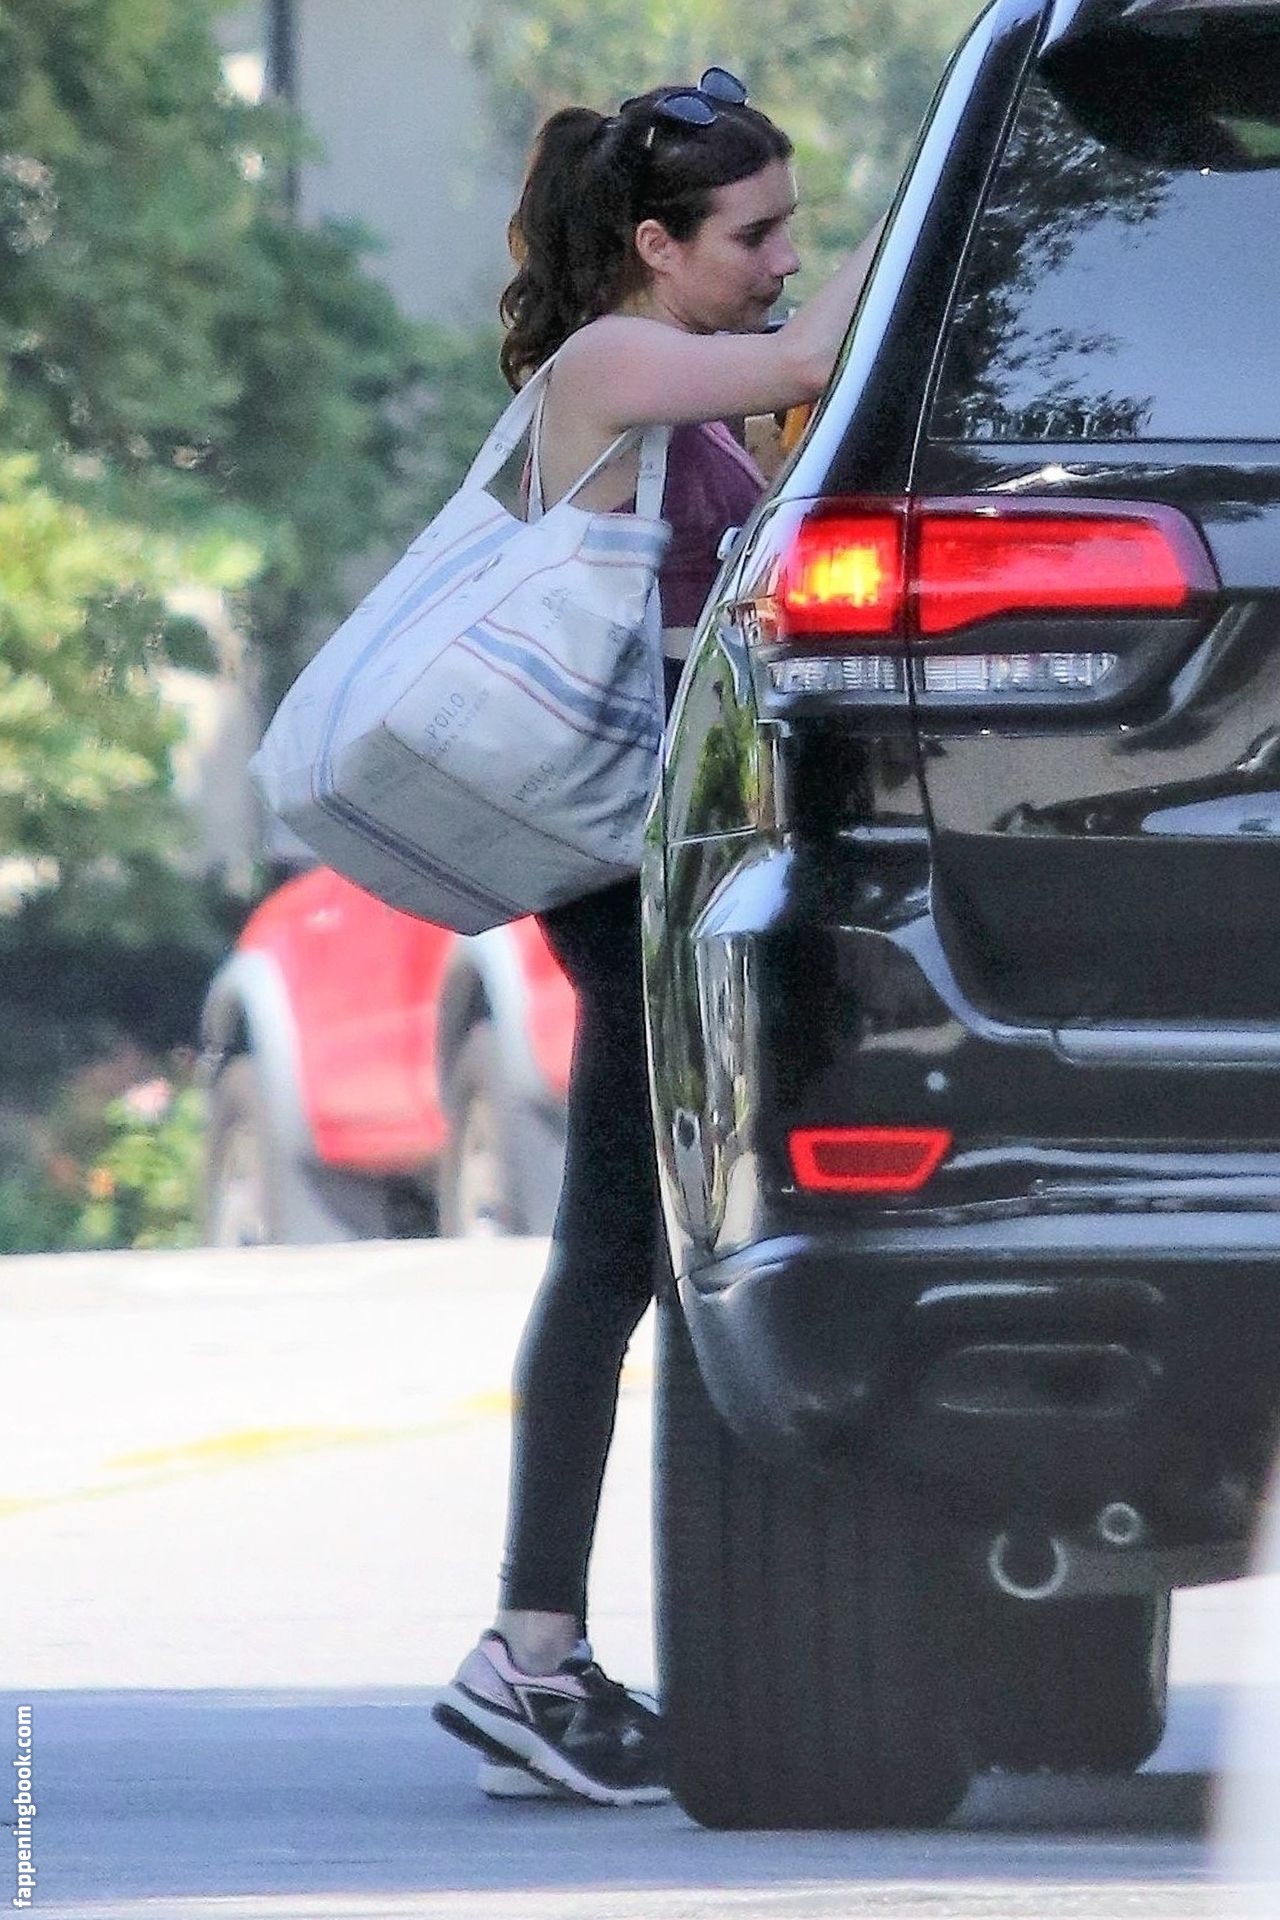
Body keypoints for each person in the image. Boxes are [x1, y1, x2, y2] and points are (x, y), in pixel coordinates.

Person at [431, 66, 883, 1807]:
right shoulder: (607, 370)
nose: (782, 261)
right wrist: (952, 176)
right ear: (653, 244)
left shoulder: (679, 393)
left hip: (670, 860)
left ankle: (539, 1644)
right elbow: (809, 354)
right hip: (615, 876)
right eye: (755, 233)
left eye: (793, 232)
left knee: (638, 1246)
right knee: (613, 1248)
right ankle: (526, 1652)